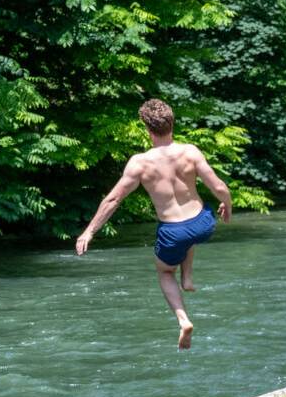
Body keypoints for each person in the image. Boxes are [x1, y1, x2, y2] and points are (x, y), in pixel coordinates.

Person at [74, 99, 232, 349]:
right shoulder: (190, 151)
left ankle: (183, 320)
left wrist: (89, 231)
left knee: (165, 271)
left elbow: (113, 199)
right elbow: (220, 187)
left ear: (148, 129)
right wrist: (228, 206)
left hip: (172, 230)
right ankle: (188, 278)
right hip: (203, 223)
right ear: (172, 124)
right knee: (189, 234)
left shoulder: (140, 163)